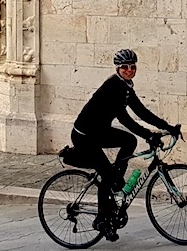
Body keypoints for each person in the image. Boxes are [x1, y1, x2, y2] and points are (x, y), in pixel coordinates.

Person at [69, 48, 179, 241]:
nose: (130, 70)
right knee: (108, 174)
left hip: (99, 131)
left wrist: (167, 127)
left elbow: (142, 112)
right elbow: (126, 119)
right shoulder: (113, 87)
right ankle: (102, 220)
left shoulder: (126, 87)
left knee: (129, 140)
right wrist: (148, 135)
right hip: (84, 136)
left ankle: (117, 177)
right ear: (118, 68)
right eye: (125, 67)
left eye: (133, 66)